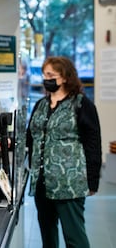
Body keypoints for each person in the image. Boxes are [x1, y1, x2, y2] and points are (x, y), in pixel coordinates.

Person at [26, 56, 102, 248]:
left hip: (69, 184)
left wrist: (92, 181)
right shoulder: (41, 105)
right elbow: (30, 137)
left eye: (51, 75)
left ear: (65, 77)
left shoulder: (82, 104)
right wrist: (10, 143)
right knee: (48, 236)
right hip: (42, 182)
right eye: (44, 75)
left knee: (74, 238)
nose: (46, 79)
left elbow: (93, 144)